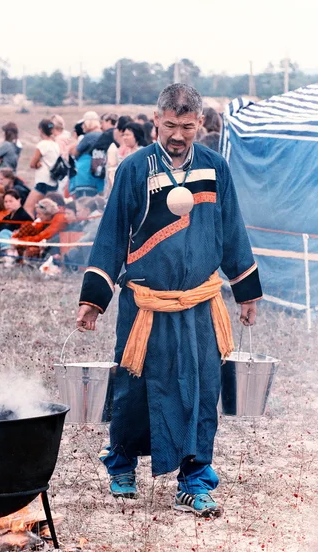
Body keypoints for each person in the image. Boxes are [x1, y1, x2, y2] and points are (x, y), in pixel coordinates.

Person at [76, 83, 262, 517]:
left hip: (200, 304)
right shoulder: (135, 169)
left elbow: (232, 228)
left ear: (201, 125)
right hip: (145, 305)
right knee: (134, 389)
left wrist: (245, 289)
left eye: (189, 127)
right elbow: (111, 234)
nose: (179, 135)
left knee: (200, 389)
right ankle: (121, 464)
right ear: (157, 120)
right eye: (172, 125)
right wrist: (94, 299)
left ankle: (194, 480)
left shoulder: (216, 168)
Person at [24, 119, 60, 218]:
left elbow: (32, 164)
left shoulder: (42, 144)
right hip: (53, 182)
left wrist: (37, 164)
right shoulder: (55, 145)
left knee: (28, 208)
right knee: (44, 211)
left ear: (40, 130)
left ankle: (30, 229)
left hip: (43, 182)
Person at [0, 189, 31, 262]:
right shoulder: (7, 216)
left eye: (11, 201)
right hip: (5, 241)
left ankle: (8, 256)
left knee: (2, 234)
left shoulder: (23, 216)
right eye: (6, 202)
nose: (8, 204)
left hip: (17, 244)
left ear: (18, 200)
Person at [69, 111, 105, 199]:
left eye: (84, 124)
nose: (82, 126)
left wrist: (74, 139)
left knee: (84, 203)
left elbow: (74, 152)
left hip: (85, 175)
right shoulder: (103, 135)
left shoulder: (89, 137)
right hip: (98, 175)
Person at [62, 197, 102, 267]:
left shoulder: (98, 219)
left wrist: (77, 243)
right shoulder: (85, 221)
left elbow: (92, 234)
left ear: (87, 210)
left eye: (78, 211)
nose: (77, 214)